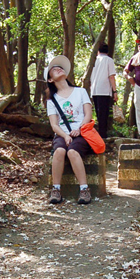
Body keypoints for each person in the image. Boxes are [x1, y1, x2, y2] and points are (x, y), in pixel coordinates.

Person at [45, 55, 93, 205]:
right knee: (59, 151)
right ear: (50, 79)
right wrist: (65, 135)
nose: (58, 68)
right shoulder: (51, 100)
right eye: (54, 69)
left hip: (82, 131)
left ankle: (84, 189)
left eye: (60, 67)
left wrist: (78, 129)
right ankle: (56, 189)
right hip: (62, 133)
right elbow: (54, 125)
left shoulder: (81, 91)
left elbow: (88, 114)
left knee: (72, 152)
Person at [90, 43, 118, 138]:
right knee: (104, 114)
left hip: (94, 90)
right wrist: (115, 91)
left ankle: (100, 135)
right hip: (104, 90)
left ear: (98, 51)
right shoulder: (109, 60)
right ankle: (102, 136)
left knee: (98, 114)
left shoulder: (94, 61)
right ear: (107, 52)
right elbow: (111, 76)